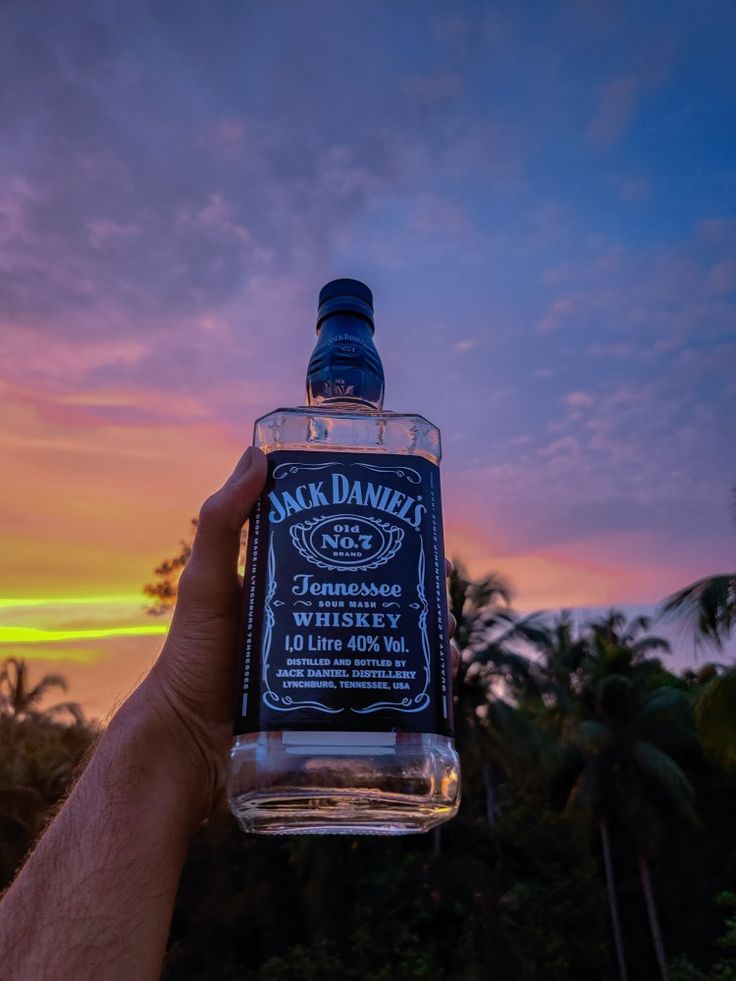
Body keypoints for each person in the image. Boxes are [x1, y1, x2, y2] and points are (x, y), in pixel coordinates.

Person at [0, 446, 459, 980]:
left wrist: (181, 735)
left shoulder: (395, 450)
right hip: (282, 763)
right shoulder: (305, 444)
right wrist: (181, 724)